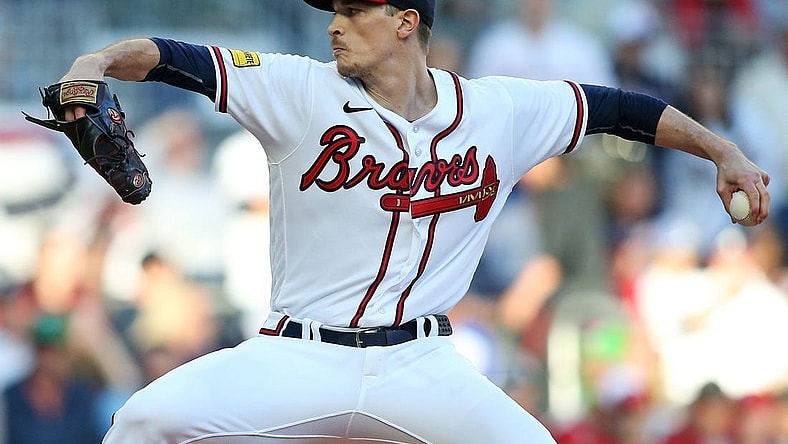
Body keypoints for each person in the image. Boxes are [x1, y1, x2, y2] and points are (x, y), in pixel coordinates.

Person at [51, 0, 771, 442]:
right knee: (143, 423)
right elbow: (175, 60)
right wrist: (97, 59)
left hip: (420, 364)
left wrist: (723, 150)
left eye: (355, 10)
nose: (335, 25)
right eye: (333, 9)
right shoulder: (298, 88)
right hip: (297, 356)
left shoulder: (498, 110)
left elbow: (622, 108)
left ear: (404, 23)